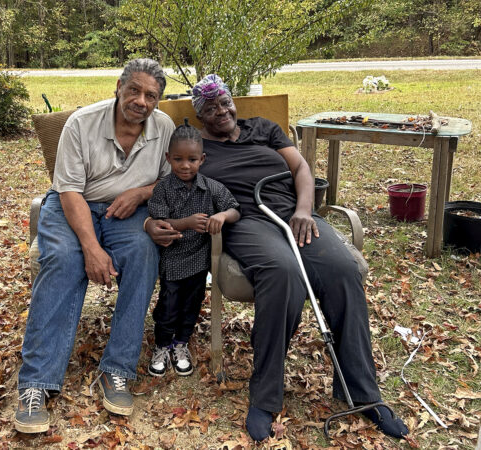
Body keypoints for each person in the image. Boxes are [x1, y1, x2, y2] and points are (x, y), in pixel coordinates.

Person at [146, 75, 409, 442]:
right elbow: (172, 180)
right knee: (282, 272)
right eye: (210, 109)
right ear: (200, 116)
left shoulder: (264, 129)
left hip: (293, 213)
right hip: (246, 220)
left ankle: (364, 394)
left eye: (224, 103)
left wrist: (304, 209)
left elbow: (301, 169)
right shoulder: (197, 147)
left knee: (342, 270)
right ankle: (265, 398)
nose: (221, 112)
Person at [14, 59, 176, 434]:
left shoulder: (164, 128)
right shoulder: (81, 123)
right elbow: (68, 189)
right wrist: (91, 248)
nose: (141, 101)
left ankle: (116, 370)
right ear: (118, 87)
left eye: (151, 95)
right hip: (74, 202)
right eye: (134, 90)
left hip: (127, 209)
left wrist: (139, 193)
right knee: (63, 260)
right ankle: (36, 383)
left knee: (143, 253)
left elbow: (170, 182)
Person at [146, 121, 240, 378]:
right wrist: (185, 223)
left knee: (192, 304)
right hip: (173, 261)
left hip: (199, 262)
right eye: (178, 159)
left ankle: (181, 344)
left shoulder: (210, 187)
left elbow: (234, 208)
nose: (185, 165)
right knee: (168, 306)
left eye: (192, 159)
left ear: (202, 159)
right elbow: (159, 222)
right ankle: (163, 345)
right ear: (168, 158)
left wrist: (221, 216)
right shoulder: (163, 188)